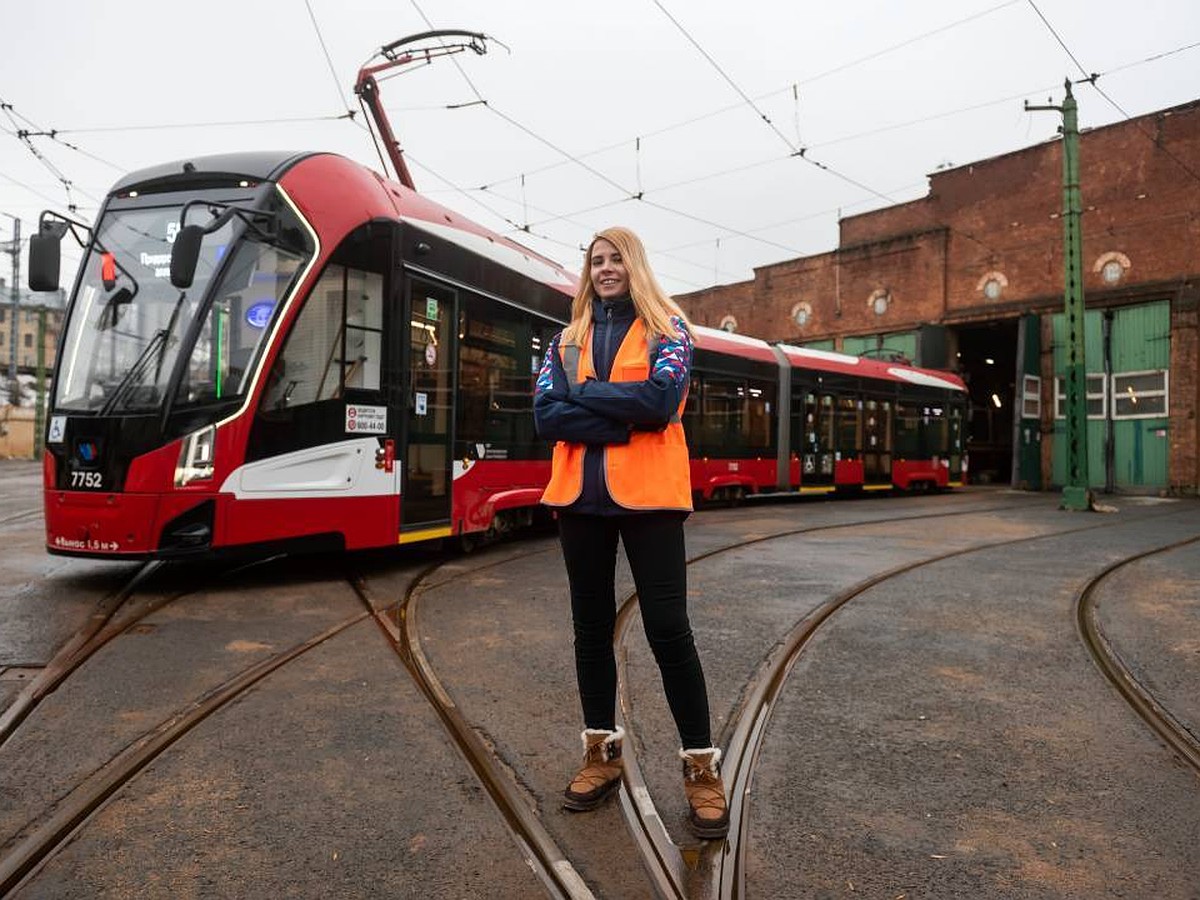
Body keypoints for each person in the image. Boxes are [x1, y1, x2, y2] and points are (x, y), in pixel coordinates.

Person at [533, 226, 728, 839]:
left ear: (635, 264)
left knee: (669, 628)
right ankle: (600, 755)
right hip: (579, 501)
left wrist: (586, 396)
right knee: (589, 630)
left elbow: (662, 401)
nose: (606, 268)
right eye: (597, 260)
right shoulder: (564, 340)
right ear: (588, 270)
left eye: (616, 258)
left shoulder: (670, 328)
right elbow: (544, 414)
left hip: (650, 501)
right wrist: (620, 419)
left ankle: (700, 767)